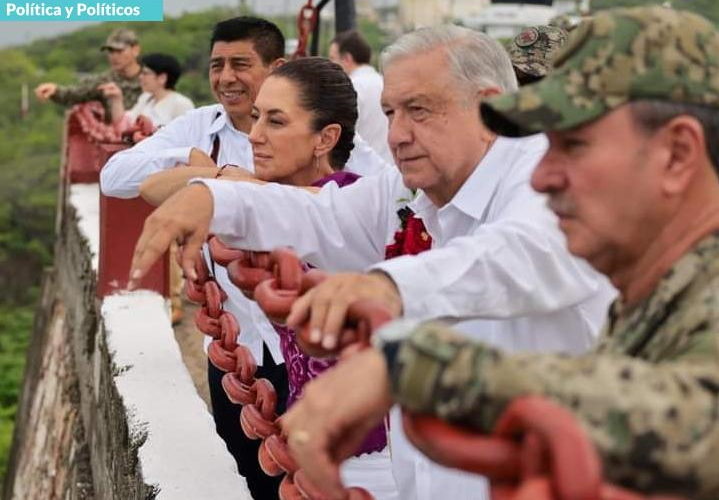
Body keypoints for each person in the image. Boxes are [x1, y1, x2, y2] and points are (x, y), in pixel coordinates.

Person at [273, 7, 719, 500]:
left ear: (676, 154)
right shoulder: (655, 301)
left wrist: (413, 368)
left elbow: (671, 419)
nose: (541, 174)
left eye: (573, 145)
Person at [128, 25, 616, 500]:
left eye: (418, 111)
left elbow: (526, 253)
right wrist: (214, 199)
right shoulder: (414, 187)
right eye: (390, 112)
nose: (398, 134)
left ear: (488, 106)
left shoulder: (549, 171)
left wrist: (387, 288)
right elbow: (324, 215)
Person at [140, 57, 397, 499]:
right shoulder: (269, 201)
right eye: (256, 117)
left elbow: (324, 206)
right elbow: (152, 189)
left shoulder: (355, 206)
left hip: (373, 456)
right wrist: (220, 179)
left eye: (275, 122)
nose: (255, 135)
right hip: (307, 435)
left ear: (326, 138)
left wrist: (238, 189)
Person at [34, 28, 143, 123]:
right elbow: (75, 93)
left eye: (119, 51)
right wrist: (55, 91)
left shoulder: (152, 78)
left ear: (135, 50)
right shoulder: (105, 81)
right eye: (110, 51)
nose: (114, 56)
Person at [329, 30, 394, 163]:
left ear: (347, 58)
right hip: (392, 168)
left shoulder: (350, 88)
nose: (330, 65)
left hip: (363, 171)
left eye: (332, 59)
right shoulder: (385, 82)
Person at [100, 53, 195, 129]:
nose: (141, 77)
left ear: (162, 78)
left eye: (145, 73)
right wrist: (117, 98)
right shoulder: (146, 98)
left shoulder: (181, 104)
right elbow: (125, 123)